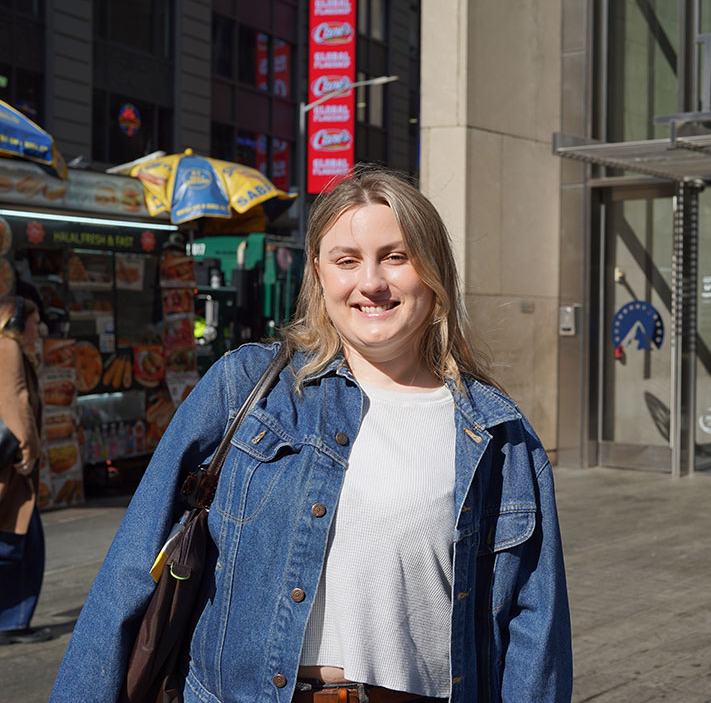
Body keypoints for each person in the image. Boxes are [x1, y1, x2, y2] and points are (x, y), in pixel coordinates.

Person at [51, 165, 572, 702]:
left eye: (395, 256)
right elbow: (130, 570)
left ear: (433, 270)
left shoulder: (499, 436)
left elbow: (535, 635)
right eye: (347, 260)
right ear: (319, 273)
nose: (371, 282)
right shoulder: (247, 387)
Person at [0, 295, 53, 645]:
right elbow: (15, 399)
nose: (39, 328)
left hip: (10, 465)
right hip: (12, 467)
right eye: (34, 321)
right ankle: (11, 622)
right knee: (18, 545)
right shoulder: (8, 348)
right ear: (16, 322)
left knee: (23, 541)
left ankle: (12, 621)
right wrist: (29, 451)